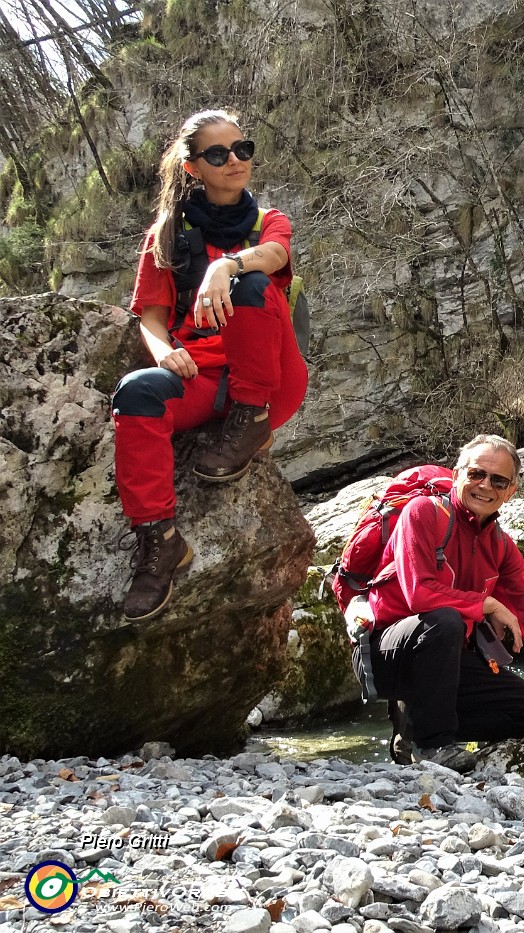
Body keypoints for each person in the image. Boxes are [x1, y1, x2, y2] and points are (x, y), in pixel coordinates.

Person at [112, 109, 308, 621]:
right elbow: (151, 321)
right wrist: (163, 352)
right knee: (135, 392)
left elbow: (270, 258)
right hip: (201, 377)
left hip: (270, 381)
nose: (234, 161)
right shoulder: (166, 236)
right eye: (218, 154)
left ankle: (250, 423)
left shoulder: (271, 221)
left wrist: (226, 264)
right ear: (193, 166)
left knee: (250, 285)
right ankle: (160, 543)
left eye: (242, 149)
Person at [366, 435, 524, 771]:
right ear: (456, 475)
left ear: (511, 491)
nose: (485, 486)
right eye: (476, 474)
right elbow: (419, 593)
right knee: (445, 620)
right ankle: (436, 745)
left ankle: (417, 724)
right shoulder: (422, 513)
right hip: (390, 652)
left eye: (498, 480)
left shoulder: (502, 547)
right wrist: (487, 605)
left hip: (447, 660)